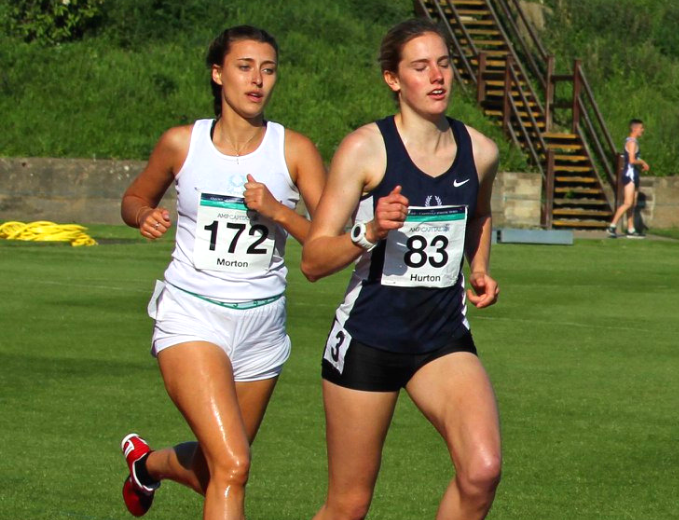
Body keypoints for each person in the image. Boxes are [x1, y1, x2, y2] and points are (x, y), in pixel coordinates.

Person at [116, 26, 327, 519]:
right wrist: (142, 215)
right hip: (193, 318)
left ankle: (147, 467)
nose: (257, 80)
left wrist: (278, 210)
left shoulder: (294, 150)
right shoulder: (181, 143)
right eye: (244, 66)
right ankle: (148, 468)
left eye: (268, 69)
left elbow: (325, 240)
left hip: (262, 329)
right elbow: (133, 198)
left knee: (217, 469)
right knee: (233, 464)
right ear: (218, 74)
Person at [299, 19, 502, 520]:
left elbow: (478, 215)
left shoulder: (480, 151)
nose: (437, 76)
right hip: (368, 338)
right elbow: (312, 260)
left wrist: (478, 266)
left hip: (441, 338)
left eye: (444, 63)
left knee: (482, 471)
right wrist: (368, 231)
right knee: (349, 504)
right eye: (420, 66)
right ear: (393, 79)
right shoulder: (365, 149)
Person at [608, 119, 648, 238]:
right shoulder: (631, 143)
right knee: (627, 202)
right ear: (635, 129)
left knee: (633, 203)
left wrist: (642, 163)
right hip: (629, 174)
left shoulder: (634, 142)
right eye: (641, 128)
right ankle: (612, 226)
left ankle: (631, 228)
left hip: (634, 173)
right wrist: (642, 162)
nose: (642, 130)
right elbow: (631, 160)